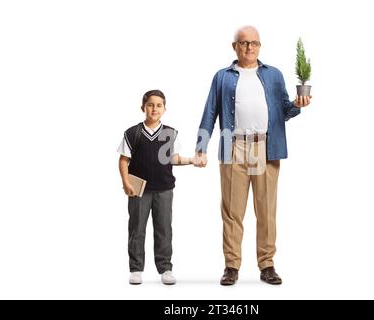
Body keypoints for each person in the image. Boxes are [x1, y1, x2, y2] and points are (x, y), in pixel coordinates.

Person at [194, 26, 311, 285]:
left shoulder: (274, 75)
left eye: (254, 43)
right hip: (232, 147)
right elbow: (210, 111)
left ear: (260, 46)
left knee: (266, 210)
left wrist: (297, 106)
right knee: (232, 211)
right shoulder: (222, 77)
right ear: (234, 46)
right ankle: (232, 266)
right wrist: (201, 147)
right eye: (244, 43)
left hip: (265, 148)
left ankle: (267, 264)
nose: (249, 47)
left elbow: (283, 110)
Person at [118, 89, 193, 285]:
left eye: (159, 105)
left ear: (165, 109)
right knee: (137, 229)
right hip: (139, 190)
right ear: (143, 107)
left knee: (164, 229)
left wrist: (193, 160)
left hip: (164, 189)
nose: (154, 108)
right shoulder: (132, 133)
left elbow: (174, 159)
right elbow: (124, 160)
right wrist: (126, 183)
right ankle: (136, 269)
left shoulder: (170, 133)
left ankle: (165, 268)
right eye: (150, 104)